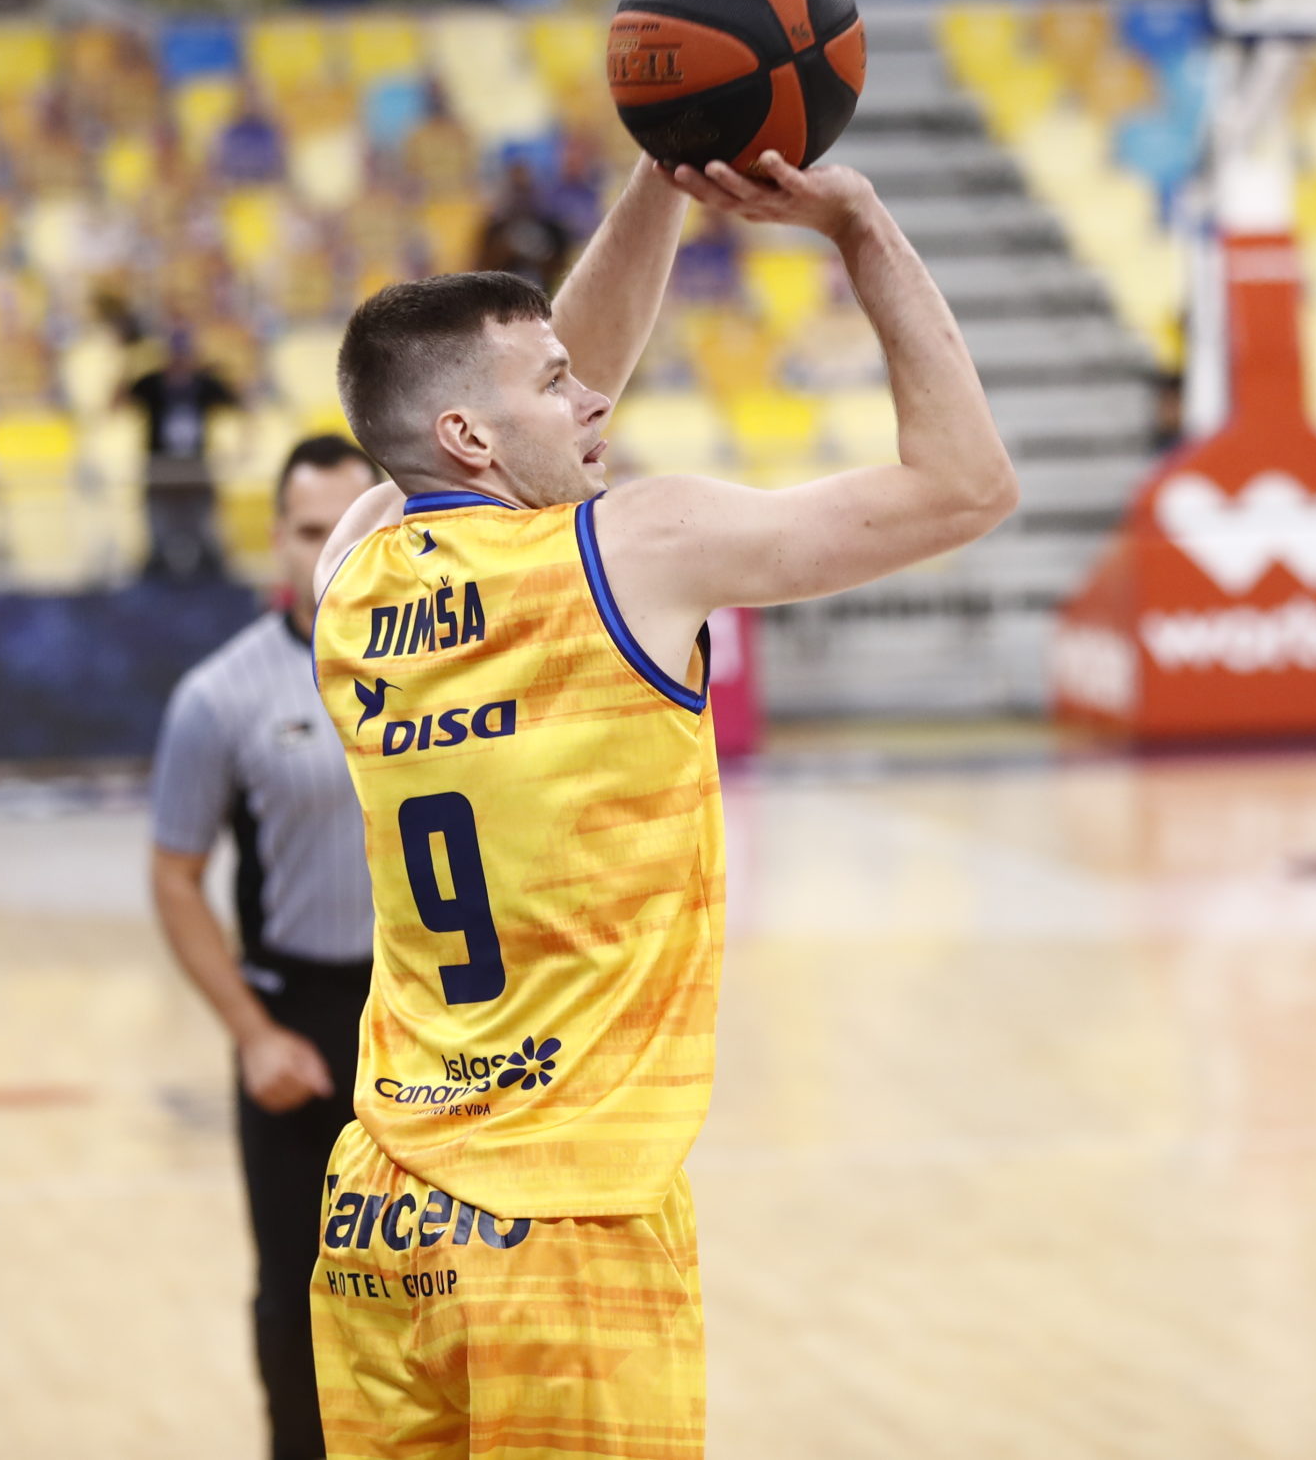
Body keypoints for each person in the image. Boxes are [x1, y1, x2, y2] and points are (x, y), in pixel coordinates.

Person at [307, 151, 1017, 1455]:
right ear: (470, 436)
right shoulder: (635, 549)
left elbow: (492, 416)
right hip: (567, 1221)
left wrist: (661, 175)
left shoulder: (348, 574)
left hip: (380, 1215)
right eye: (555, 384)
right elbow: (967, 484)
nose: (594, 395)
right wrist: (860, 228)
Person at [149, 434, 385, 1460]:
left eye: (350, 528)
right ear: (276, 541)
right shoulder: (218, 697)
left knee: (454, 1289)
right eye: (307, 530)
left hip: (435, 1028)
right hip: (301, 1025)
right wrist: (252, 1035)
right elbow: (175, 876)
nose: (329, 552)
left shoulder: (453, 670)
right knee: (297, 1297)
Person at [125, 329, 242, 582]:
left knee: (204, 524)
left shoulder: (204, 383)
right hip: (161, 465)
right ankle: (156, 569)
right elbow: (118, 401)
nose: (180, 362)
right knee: (159, 524)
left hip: (195, 465)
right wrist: (127, 364)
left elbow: (239, 404)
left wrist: (242, 447)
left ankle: (213, 571)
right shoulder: (152, 383)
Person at [471, 153, 574, 292]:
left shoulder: (553, 228)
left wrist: (542, 258)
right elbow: (477, 269)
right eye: (515, 190)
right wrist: (503, 251)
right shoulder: (493, 229)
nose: (520, 199)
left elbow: (565, 271)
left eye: (525, 190)